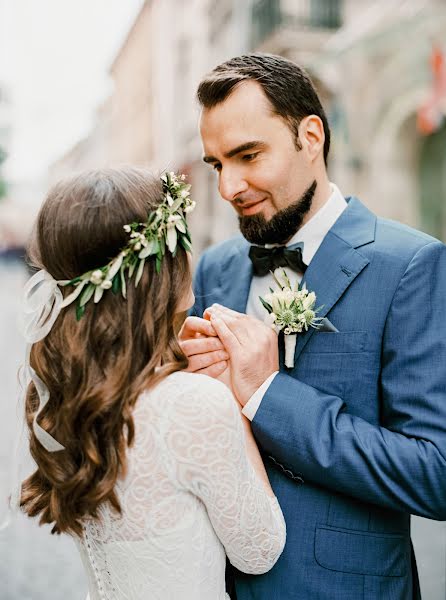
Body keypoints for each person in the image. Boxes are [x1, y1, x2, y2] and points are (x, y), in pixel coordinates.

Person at [180, 53, 446, 599]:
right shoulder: (216, 266)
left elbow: (433, 472)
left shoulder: (411, 266)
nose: (230, 186)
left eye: (248, 155)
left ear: (310, 136)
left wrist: (268, 394)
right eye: (216, 165)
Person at [18, 167, 285, 599]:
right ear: (161, 269)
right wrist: (240, 398)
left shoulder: (59, 390)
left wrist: (165, 354)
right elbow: (259, 551)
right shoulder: (195, 403)